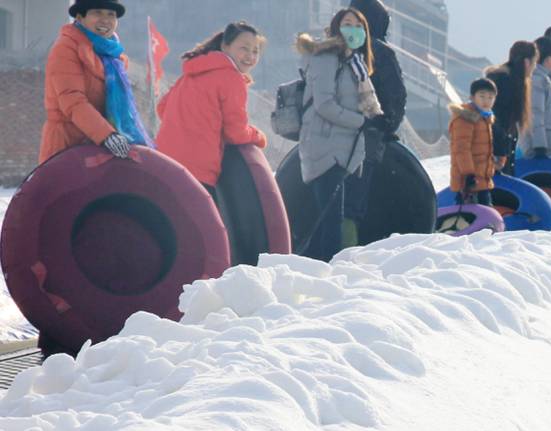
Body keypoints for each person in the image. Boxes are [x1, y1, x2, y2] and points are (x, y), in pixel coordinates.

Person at [294, 7, 383, 262]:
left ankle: (320, 266)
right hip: (324, 146)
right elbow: (324, 104)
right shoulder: (326, 57)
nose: (352, 29)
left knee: (333, 215)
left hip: (344, 148)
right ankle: (327, 269)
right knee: (330, 216)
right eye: (347, 23)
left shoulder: (355, 64)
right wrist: (360, 121)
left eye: (358, 25)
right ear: (335, 27)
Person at [155, 22, 267, 195]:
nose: (250, 56)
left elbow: (162, 108)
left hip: (163, 162)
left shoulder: (193, 70)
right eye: (244, 48)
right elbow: (236, 133)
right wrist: (258, 136)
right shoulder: (231, 78)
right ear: (225, 46)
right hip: (197, 170)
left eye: (255, 51)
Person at [40, 0, 152, 164]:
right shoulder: (65, 47)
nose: (105, 20)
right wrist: (107, 135)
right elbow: (72, 100)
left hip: (102, 147)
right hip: (68, 146)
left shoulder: (113, 56)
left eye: (111, 14)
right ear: (80, 17)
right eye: (97, 12)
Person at [345, 0, 408, 247]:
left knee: (335, 200)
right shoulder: (380, 51)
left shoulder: (335, 50)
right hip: (369, 137)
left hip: (332, 137)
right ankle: (349, 251)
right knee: (354, 203)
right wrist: (387, 127)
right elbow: (396, 95)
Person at [486, 41, 537, 174]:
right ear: (527, 62)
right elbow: (497, 123)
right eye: (534, 62)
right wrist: (501, 154)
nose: (534, 68)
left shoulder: (503, 80)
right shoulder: (507, 84)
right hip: (495, 157)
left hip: (496, 154)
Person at [449, 78, 498, 207]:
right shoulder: (465, 118)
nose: (486, 101)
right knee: (471, 218)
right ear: (472, 97)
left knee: (487, 217)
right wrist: (468, 174)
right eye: (482, 96)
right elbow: (461, 149)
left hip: (483, 180)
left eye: (490, 97)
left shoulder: (485, 118)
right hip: (469, 181)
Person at [519, 36, 551, 159]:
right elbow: (535, 114)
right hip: (540, 151)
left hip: (549, 150)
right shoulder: (538, 81)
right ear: (549, 59)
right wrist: (540, 147)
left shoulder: (543, 79)